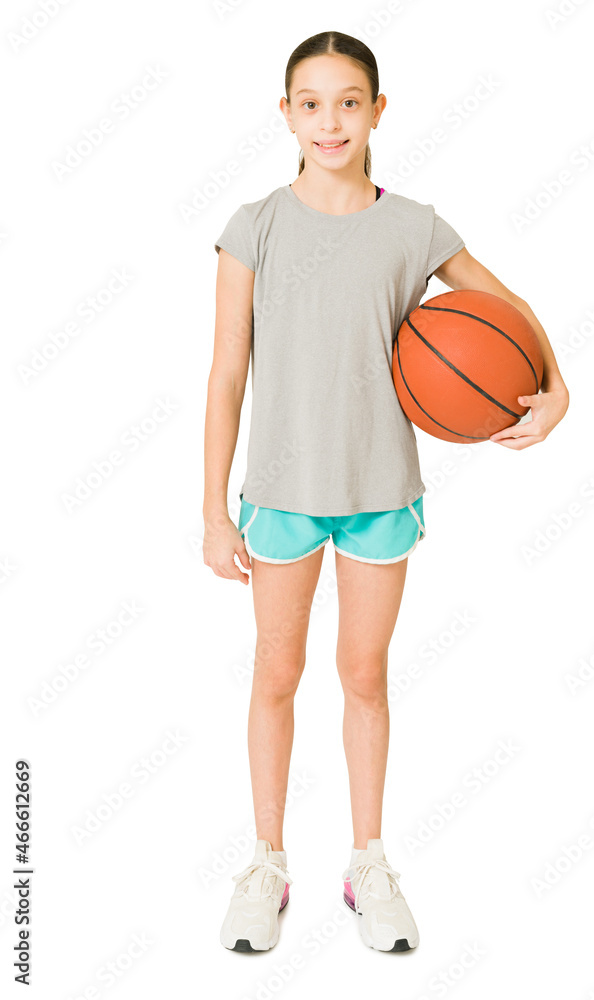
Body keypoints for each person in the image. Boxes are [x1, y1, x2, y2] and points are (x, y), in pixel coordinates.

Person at [203, 30, 569, 954]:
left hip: (377, 492)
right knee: (275, 675)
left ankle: (368, 861)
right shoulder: (255, 224)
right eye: (312, 102)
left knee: (363, 677)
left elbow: (508, 311)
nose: (331, 119)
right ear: (284, 113)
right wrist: (213, 509)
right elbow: (225, 374)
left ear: (377, 111)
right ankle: (266, 862)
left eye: (349, 100)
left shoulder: (414, 227)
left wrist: (556, 386)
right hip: (280, 491)